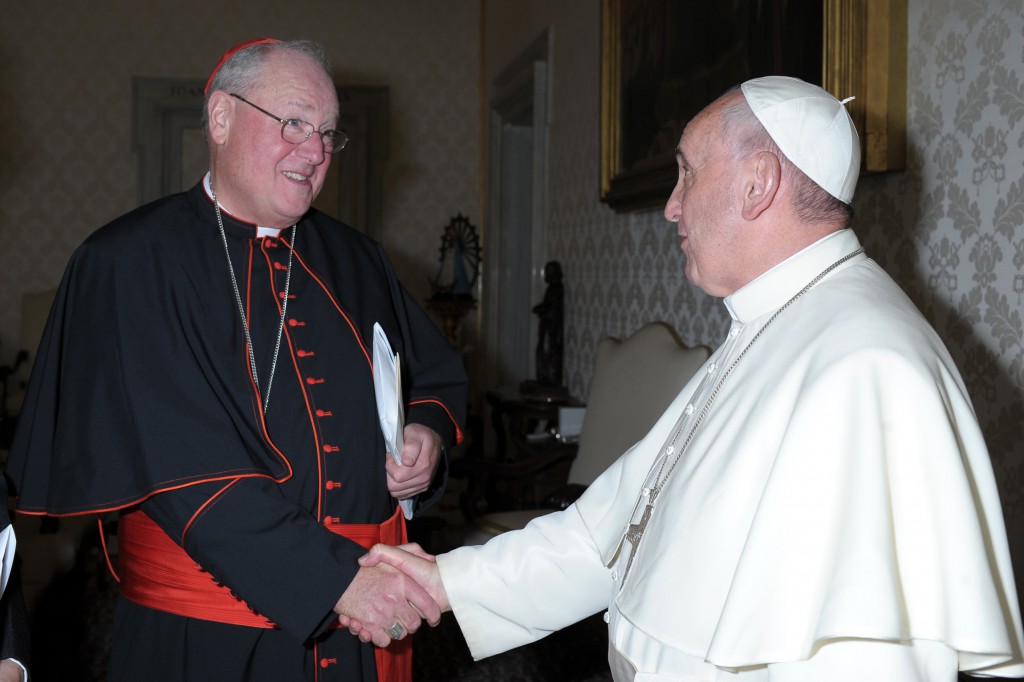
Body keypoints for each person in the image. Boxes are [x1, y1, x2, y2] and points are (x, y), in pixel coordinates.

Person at [354, 76, 1024, 680]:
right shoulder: (771, 324)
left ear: (758, 184)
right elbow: (608, 532)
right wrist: (444, 581)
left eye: (687, 175)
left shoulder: (865, 367)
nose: (672, 207)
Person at [5, 38, 466, 682]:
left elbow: (434, 377)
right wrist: (333, 583)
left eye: (329, 134)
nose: (315, 152)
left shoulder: (357, 259)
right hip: (208, 636)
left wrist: (427, 435)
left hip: (362, 621)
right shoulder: (128, 262)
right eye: (295, 123)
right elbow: (180, 466)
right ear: (221, 118)